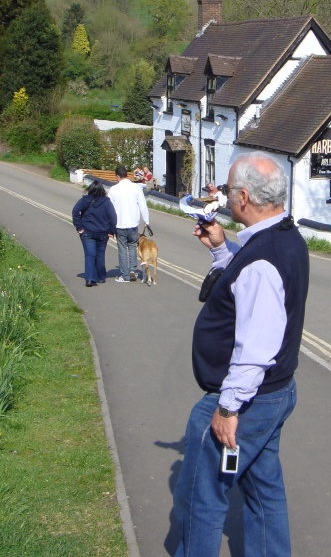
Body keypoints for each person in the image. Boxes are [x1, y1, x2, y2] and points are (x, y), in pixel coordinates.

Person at [173, 152, 309, 557]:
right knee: (263, 493)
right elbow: (247, 288)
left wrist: (229, 408)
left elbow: (257, 345)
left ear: (244, 197)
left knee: (201, 496)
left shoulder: (262, 260)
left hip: (245, 399)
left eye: (229, 191)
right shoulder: (284, 237)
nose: (224, 197)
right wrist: (221, 251)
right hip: (275, 393)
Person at [107, 165, 150, 283]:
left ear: (117, 176)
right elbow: (143, 205)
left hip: (119, 225)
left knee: (122, 249)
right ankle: (133, 270)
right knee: (132, 247)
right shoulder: (136, 188)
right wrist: (146, 221)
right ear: (127, 175)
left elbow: (109, 208)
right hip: (133, 224)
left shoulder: (113, 189)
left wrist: (108, 225)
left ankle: (125, 275)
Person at [72, 180, 117, 287]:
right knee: (100, 255)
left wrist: (79, 227)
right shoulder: (106, 202)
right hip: (103, 233)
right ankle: (101, 277)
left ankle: (90, 278)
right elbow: (113, 217)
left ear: (90, 189)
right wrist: (112, 231)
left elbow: (75, 211)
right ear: (102, 191)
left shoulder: (84, 200)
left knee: (90, 255)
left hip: (87, 231)